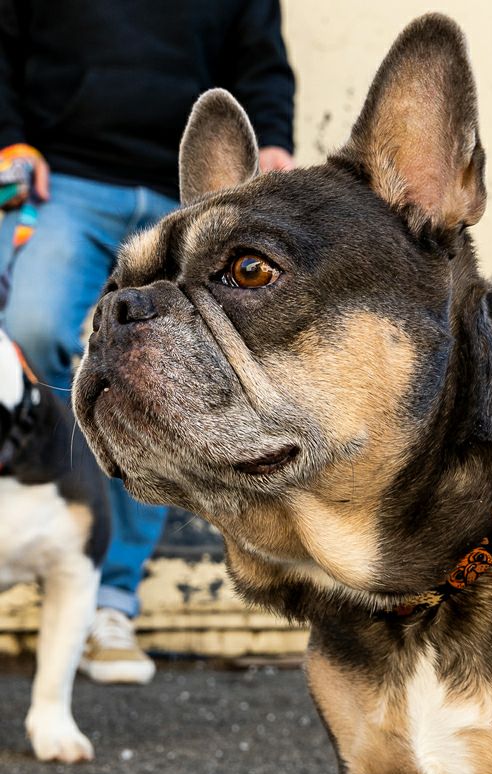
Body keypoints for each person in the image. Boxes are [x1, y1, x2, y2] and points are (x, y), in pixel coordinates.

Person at [0, 0, 295, 684]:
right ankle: (50, 545)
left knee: (160, 384)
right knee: (33, 329)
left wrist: (274, 140)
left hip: (190, 189)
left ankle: (110, 598)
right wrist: (8, 137)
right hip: (65, 177)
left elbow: (260, 60)